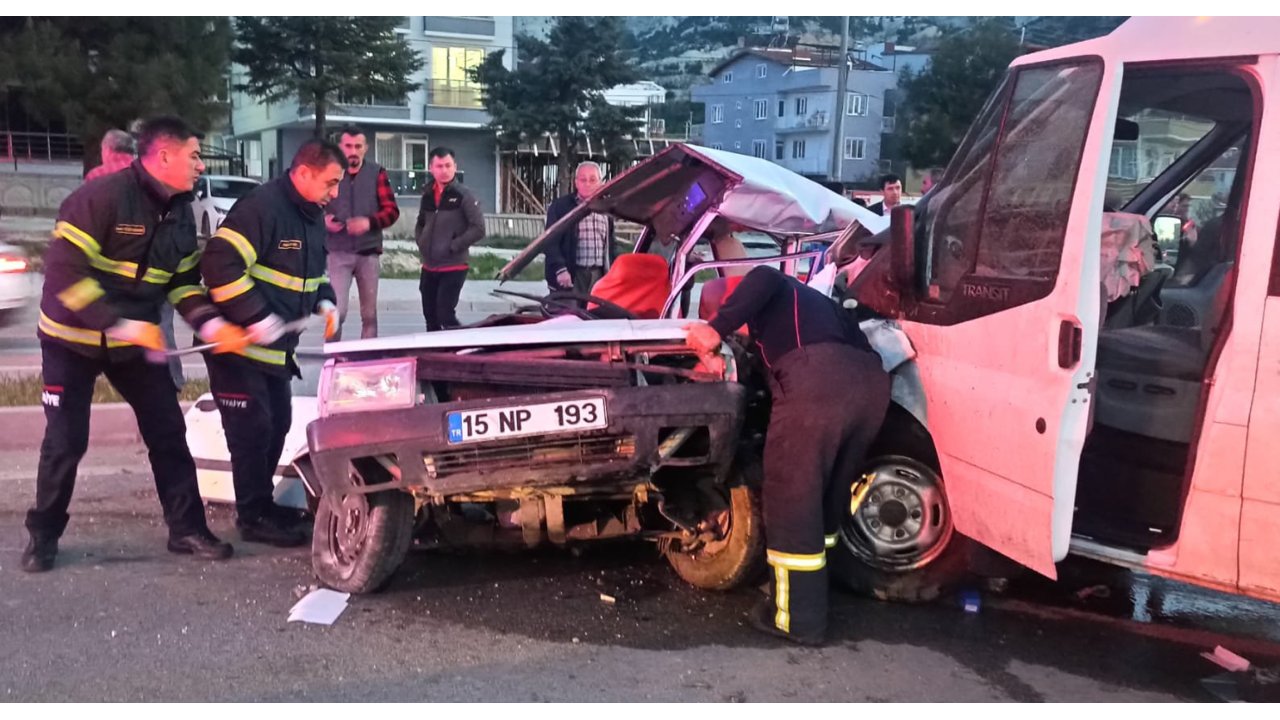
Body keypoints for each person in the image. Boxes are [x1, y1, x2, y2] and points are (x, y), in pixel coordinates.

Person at [23, 116, 250, 573]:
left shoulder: (181, 211)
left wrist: (210, 326)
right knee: (67, 440)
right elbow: (65, 275)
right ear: (163, 156)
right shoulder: (100, 198)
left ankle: (186, 529)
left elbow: (183, 283)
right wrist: (122, 325)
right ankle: (43, 535)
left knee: (167, 430)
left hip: (134, 343)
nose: (200, 166)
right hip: (71, 340)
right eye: (194, 155)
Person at [684, 266, 890, 645]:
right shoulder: (819, 304)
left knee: (791, 496)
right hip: (871, 384)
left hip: (817, 381)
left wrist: (717, 327)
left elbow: (764, 275)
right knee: (829, 493)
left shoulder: (772, 285)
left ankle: (797, 619)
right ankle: (821, 587)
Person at [200, 140, 342, 547]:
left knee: (277, 423)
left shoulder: (311, 215)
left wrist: (325, 299)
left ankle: (262, 505)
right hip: (237, 347)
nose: (335, 193)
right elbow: (220, 263)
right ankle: (252, 515)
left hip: (275, 351)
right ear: (303, 174)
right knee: (252, 430)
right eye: (330, 183)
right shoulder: (262, 208)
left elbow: (311, 273)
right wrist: (256, 315)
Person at [324, 125, 400, 341]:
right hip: (338, 251)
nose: (353, 151)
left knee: (369, 315)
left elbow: (392, 211)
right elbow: (312, 205)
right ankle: (332, 358)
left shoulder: (377, 173)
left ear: (366, 148)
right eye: (348, 146)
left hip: (369, 252)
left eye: (358, 146)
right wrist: (323, 221)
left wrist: (369, 222)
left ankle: (367, 362)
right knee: (337, 313)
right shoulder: (330, 171)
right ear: (341, 147)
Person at [414, 147, 484, 331]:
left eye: (448, 165)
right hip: (429, 266)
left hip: (453, 266)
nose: (444, 170)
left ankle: (465, 348)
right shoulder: (427, 194)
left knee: (445, 315)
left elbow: (479, 228)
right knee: (431, 317)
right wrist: (421, 241)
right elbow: (420, 223)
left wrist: (454, 245)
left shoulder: (464, 195)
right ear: (431, 168)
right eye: (439, 166)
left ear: (455, 167)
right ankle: (436, 357)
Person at [543, 162, 617, 297]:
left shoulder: (605, 209)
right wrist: (560, 269)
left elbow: (611, 245)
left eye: (592, 179)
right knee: (570, 316)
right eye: (583, 180)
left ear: (601, 182)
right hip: (571, 275)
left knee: (595, 315)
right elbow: (549, 242)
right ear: (576, 182)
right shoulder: (561, 207)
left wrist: (613, 273)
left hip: (599, 275)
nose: (587, 183)